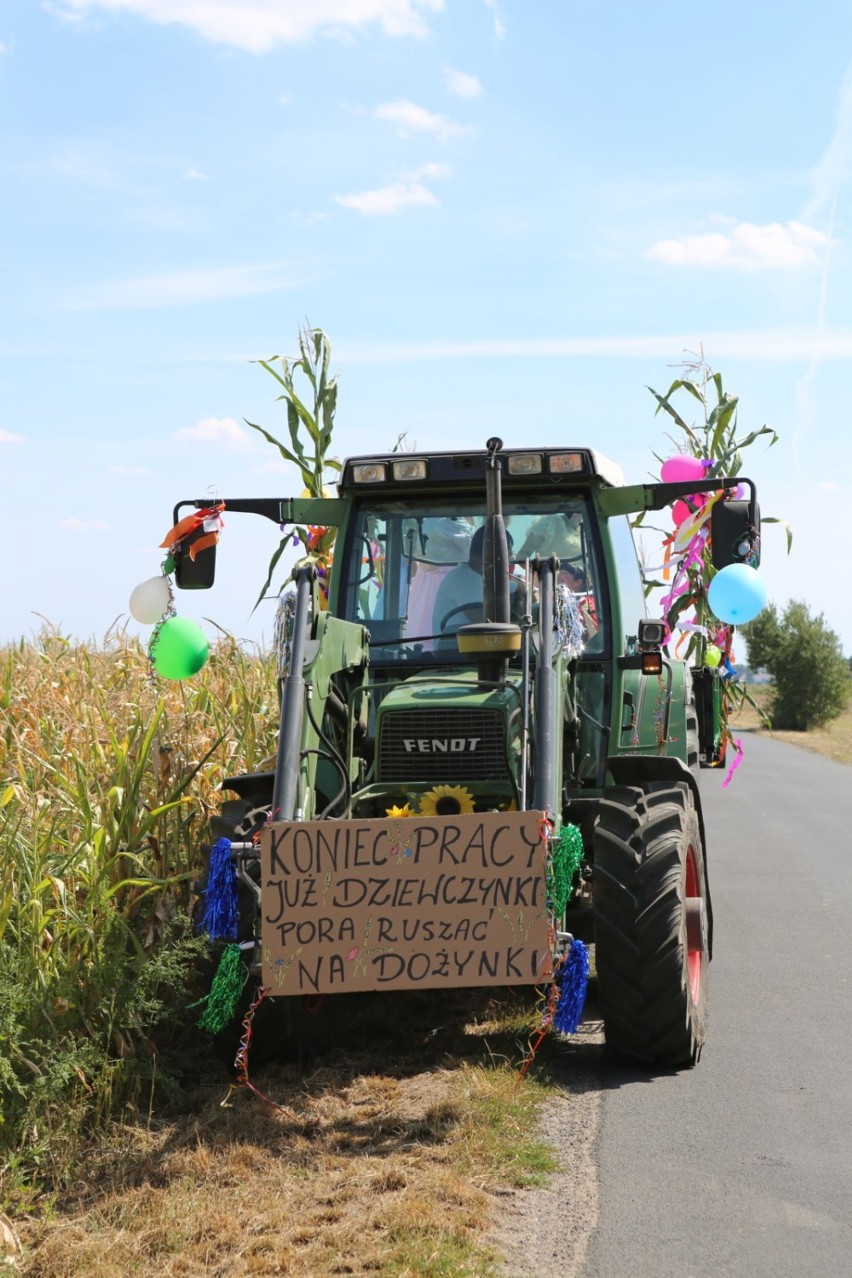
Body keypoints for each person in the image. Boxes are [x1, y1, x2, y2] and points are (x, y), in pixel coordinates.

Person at [432, 526, 521, 633]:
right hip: (454, 648)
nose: (509, 563)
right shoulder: (463, 579)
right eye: (508, 556)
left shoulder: (482, 577)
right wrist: (521, 623)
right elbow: (488, 623)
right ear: (496, 556)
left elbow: (520, 587)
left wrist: (522, 591)